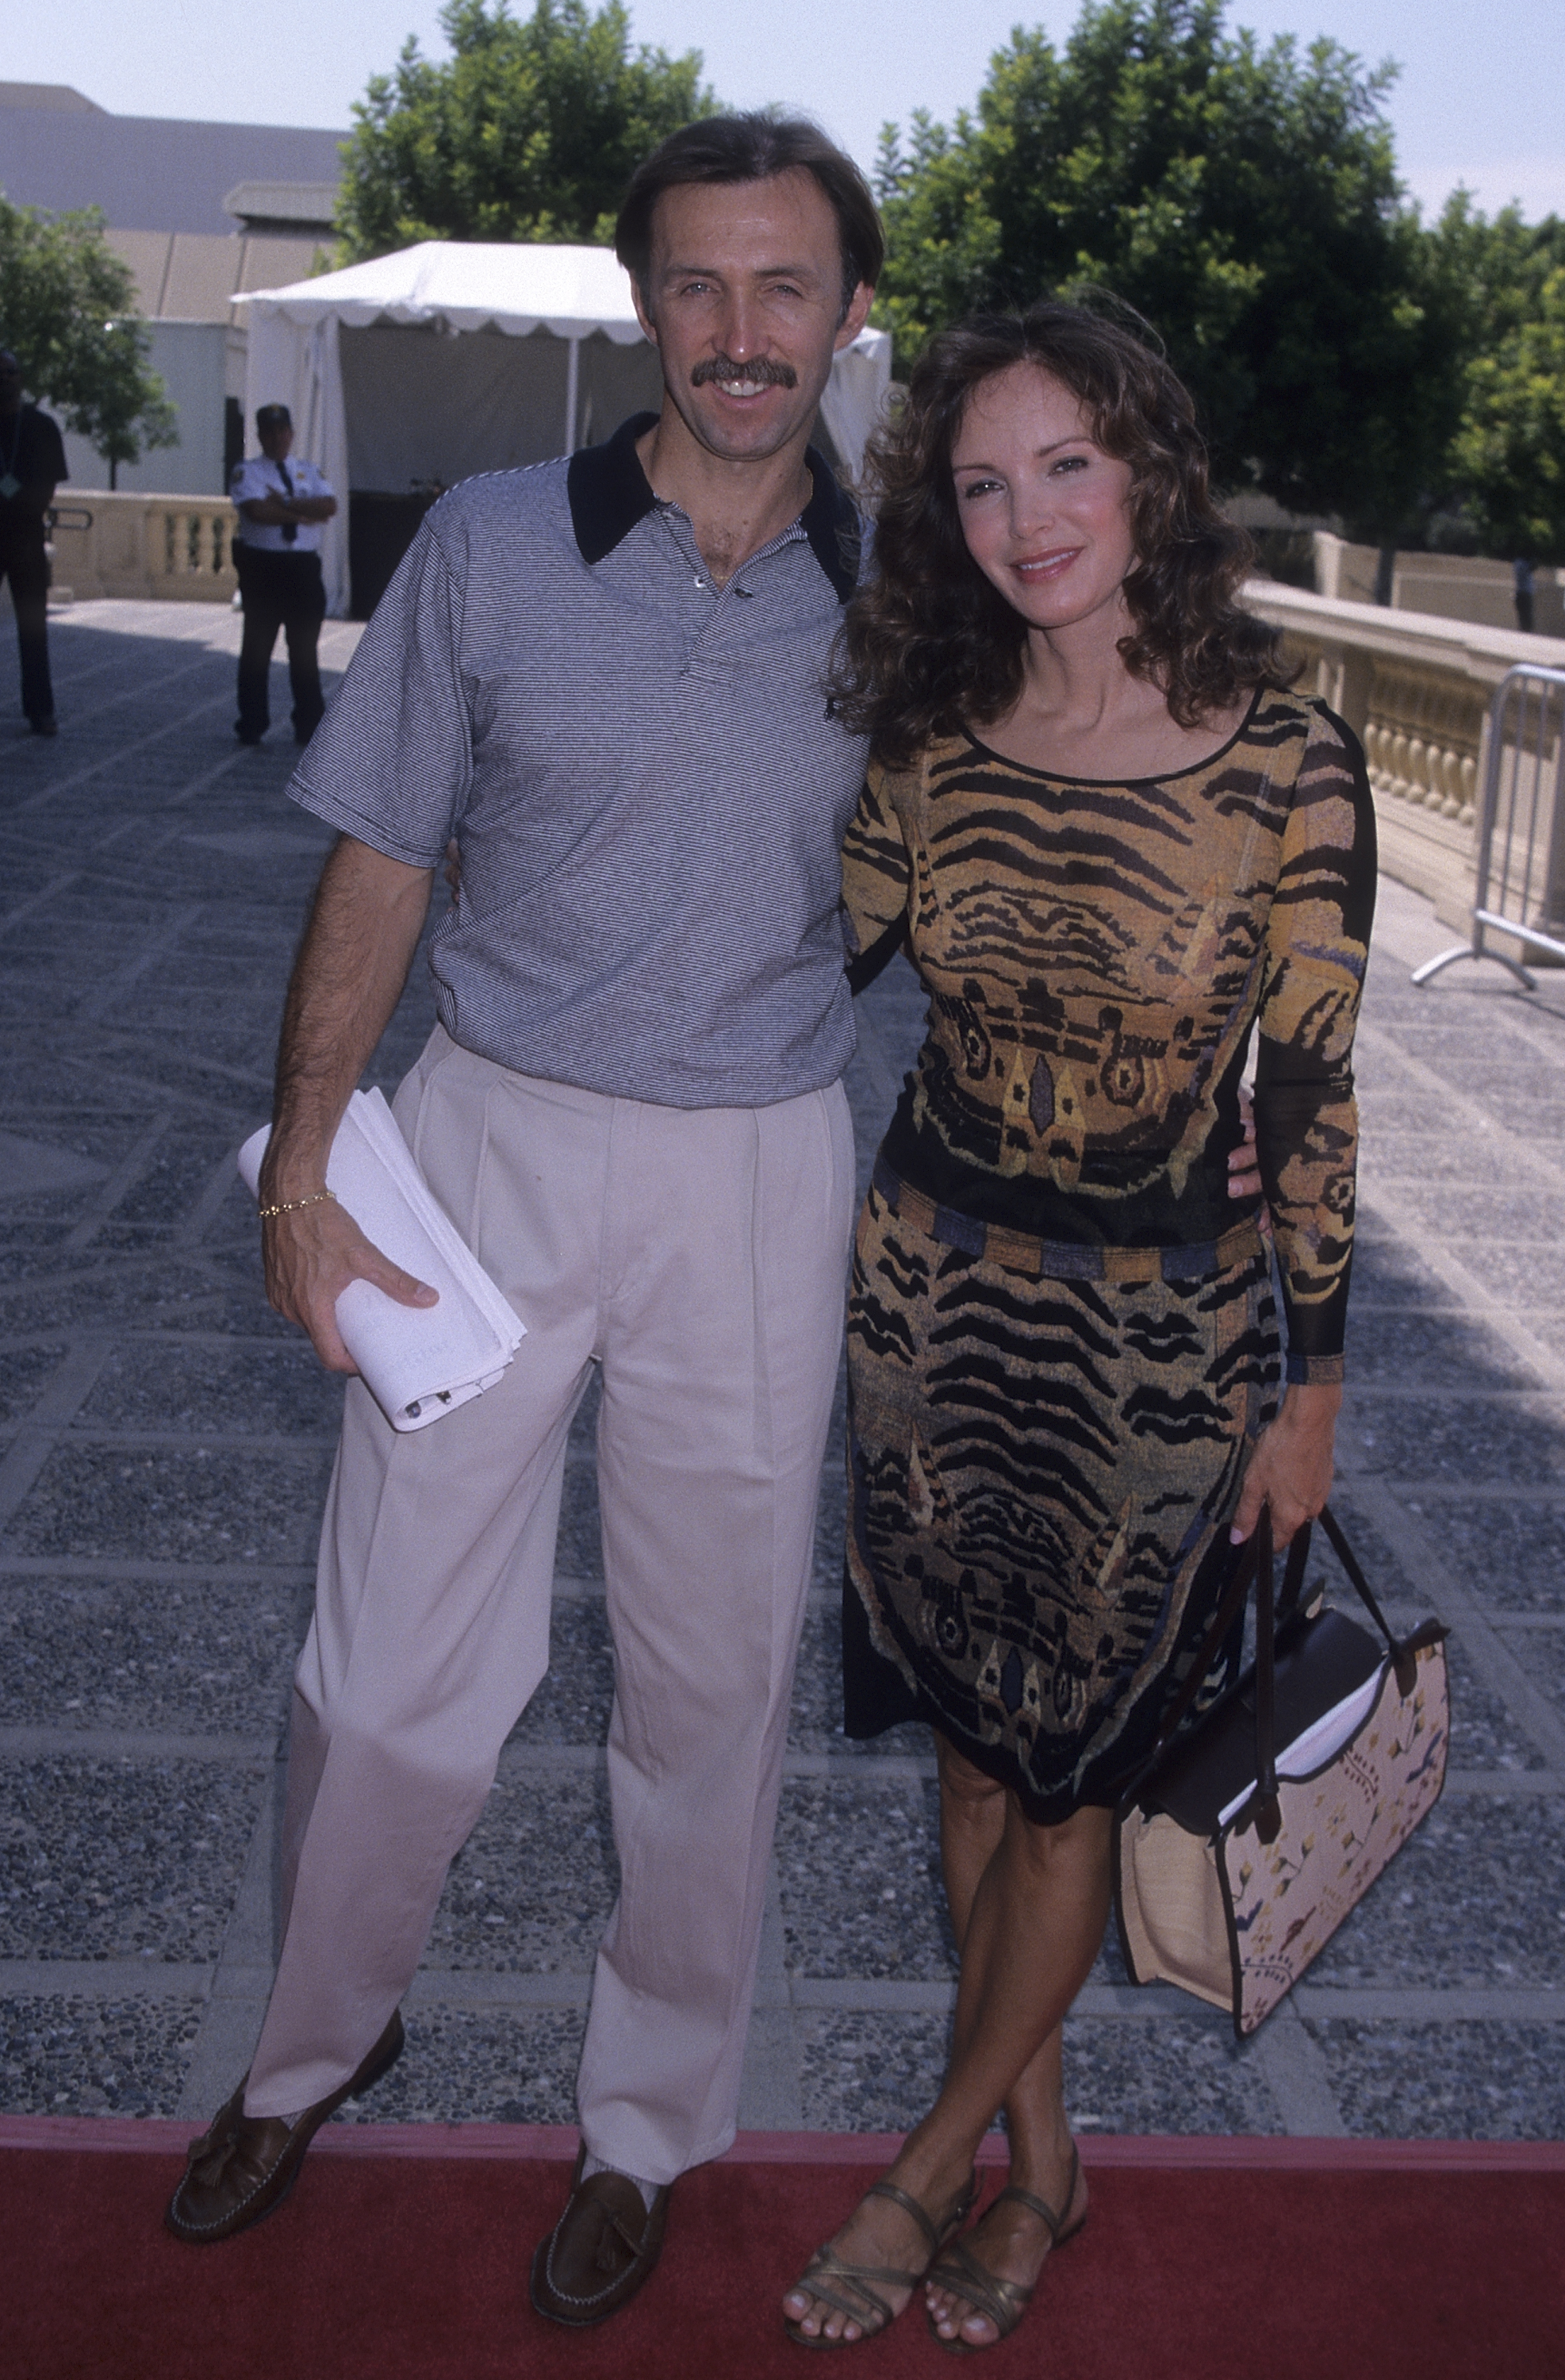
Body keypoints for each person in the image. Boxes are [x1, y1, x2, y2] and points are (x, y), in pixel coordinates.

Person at [163, 115, 884, 2328]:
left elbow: (1012, 875)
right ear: (640, 305)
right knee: (386, 1679)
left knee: (707, 1691)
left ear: (846, 312)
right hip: (477, 1141)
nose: (741, 333)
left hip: (756, 1171)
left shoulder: (914, 604)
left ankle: (647, 2123)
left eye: (784, 288)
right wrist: (304, 1156)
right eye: (698, 285)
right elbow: (378, 855)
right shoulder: (484, 543)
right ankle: (318, 2038)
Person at [782, 302, 1375, 2352]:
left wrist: (1307, 1376)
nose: (1023, 518)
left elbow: (1302, 1088)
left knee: (1065, 1791)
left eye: (1063, 465)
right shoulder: (923, 741)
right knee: (964, 1770)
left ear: (1145, 472)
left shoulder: (1287, 750)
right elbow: (794, 963)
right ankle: (1044, 2173)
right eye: (974, 481)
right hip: (922, 1310)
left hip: (1153, 1357)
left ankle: (919, 2169)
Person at [229, 403, 337, 745]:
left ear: (291, 433)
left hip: (302, 568)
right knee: (257, 650)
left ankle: (308, 724)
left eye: (282, 431)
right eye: (269, 432)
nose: (277, 438)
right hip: (264, 567)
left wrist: (287, 504)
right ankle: (252, 722)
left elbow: (328, 507)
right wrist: (303, 514)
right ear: (260, 436)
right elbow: (257, 512)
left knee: (305, 650)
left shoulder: (308, 471)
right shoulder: (248, 473)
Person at [0, 348, 67, 735]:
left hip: (26, 536)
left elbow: (48, 485)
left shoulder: (40, 426)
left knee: (33, 629)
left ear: (20, 378)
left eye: (10, 373)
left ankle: (40, 710)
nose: (4, 380)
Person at [1512, 556, 1535, 633]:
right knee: (1525, 614)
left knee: (1524, 615)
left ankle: (1525, 630)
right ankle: (1525, 630)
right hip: (1524, 592)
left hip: (1522, 592)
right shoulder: (1521, 564)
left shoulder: (1518, 563)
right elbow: (1532, 567)